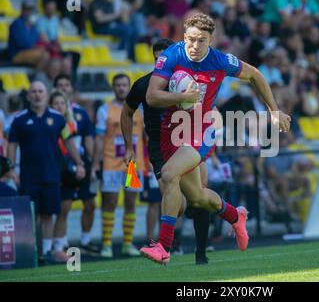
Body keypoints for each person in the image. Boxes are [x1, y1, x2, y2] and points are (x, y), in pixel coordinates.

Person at [140, 13, 291, 265]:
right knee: (197, 197)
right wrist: (180, 97)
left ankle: (164, 247)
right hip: (172, 130)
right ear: (183, 36)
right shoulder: (171, 56)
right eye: (190, 39)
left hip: (201, 130)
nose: (194, 46)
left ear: (211, 40)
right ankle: (235, 216)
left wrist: (273, 110)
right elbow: (152, 97)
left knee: (169, 175)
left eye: (201, 41)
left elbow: (255, 74)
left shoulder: (220, 61)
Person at [120, 38, 211, 265]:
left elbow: (206, 111)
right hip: (160, 149)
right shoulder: (143, 85)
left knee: (200, 197)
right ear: (155, 59)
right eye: (159, 58)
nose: (163, 61)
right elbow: (126, 112)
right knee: (179, 207)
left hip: (188, 142)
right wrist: (129, 147)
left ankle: (201, 253)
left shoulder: (188, 82)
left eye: (166, 57)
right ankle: (185, 212)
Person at [7, 81, 86, 264]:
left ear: (45, 94)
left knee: (48, 215)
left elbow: (68, 141)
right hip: (28, 175)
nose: (37, 95)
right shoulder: (19, 120)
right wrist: (11, 169)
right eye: (33, 92)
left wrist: (79, 162)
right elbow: (12, 145)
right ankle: (33, 252)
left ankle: (47, 251)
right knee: (31, 216)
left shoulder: (58, 118)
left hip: (51, 174)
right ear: (28, 96)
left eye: (40, 91)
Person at [92, 74, 144, 258]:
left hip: (133, 166)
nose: (121, 88)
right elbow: (99, 138)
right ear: (113, 88)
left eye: (124, 85)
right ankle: (106, 244)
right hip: (111, 163)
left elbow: (145, 136)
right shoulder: (104, 110)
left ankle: (127, 244)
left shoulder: (139, 108)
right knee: (110, 202)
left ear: (129, 87)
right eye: (118, 85)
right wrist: (95, 164)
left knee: (131, 202)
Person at [53, 74, 97, 253]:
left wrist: (91, 165)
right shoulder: (51, 114)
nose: (64, 88)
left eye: (67, 84)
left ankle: (85, 241)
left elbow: (89, 138)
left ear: (71, 88)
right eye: (60, 85)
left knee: (90, 204)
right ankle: (61, 244)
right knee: (65, 206)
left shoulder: (80, 113)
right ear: (55, 88)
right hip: (61, 166)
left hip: (80, 163)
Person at [8, 1, 50, 70]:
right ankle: (37, 78)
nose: (28, 12)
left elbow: (35, 41)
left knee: (51, 56)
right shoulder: (17, 24)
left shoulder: (31, 25)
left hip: (28, 51)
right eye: (26, 9)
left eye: (30, 9)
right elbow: (26, 44)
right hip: (17, 54)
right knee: (45, 56)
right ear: (22, 10)